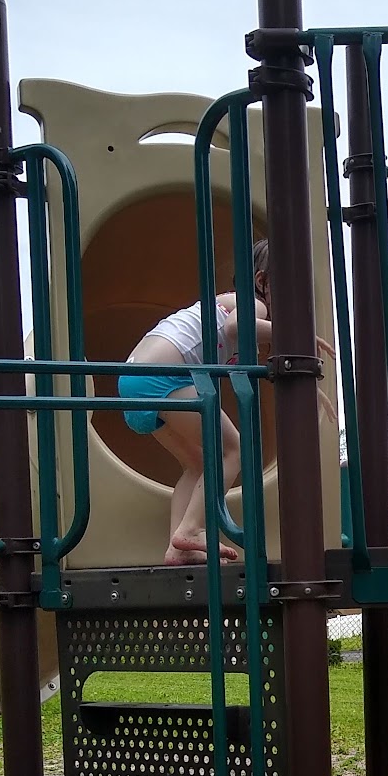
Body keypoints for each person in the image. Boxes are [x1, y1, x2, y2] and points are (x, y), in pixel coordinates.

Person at [117, 239, 273, 564]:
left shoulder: (226, 305)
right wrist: (291, 330)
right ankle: (190, 529)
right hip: (165, 376)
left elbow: (254, 362)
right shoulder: (252, 305)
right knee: (235, 450)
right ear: (261, 282)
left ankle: (177, 549)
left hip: (134, 380)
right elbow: (234, 328)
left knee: (199, 464)